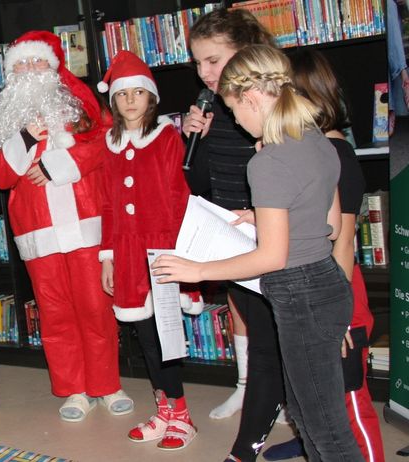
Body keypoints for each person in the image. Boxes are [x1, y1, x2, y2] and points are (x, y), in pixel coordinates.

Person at [154, 44, 363, 462]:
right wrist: (265, 215)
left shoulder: (267, 161)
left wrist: (197, 269)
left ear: (250, 98)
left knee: (326, 429)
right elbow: (331, 226)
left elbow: (271, 258)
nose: (238, 121)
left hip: (298, 296)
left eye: (235, 111)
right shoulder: (319, 140)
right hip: (328, 286)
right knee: (307, 413)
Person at [0, 30, 132, 423]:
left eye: (37, 61)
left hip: (85, 222)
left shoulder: (79, 102)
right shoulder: (4, 119)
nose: (30, 70)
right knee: (55, 312)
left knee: (96, 306)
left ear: (53, 65)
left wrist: (59, 166)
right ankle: (74, 389)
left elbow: (107, 143)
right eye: (21, 64)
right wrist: (26, 137)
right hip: (37, 230)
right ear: (11, 72)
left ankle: (106, 384)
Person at [262, 49, 386, 462]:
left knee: (350, 406)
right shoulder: (309, 151)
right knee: (322, 400)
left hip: (337, 293)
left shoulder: (335, 155)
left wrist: (340, 318)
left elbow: (344, 241)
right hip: (324, 292)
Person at [184, 15, 287, 454]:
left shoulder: (265, 105)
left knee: (273, 325)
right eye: (198, 63)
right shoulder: (210, 104)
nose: (205, 72)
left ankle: (268, 407)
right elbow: (197, 181)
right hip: (229, 227)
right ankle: (252, 390)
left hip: (269, 224)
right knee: (246, 312)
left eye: (213, 60)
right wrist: (197, 140)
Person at [96, 50, 202, 450]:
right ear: (114, 101)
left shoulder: (166, 137)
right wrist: (107, 255)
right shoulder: (109, 144)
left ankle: (182, 414)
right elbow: (108, 203)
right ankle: (163, 409)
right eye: (123, 94)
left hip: (162, 247)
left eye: (139, 92)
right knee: (144, 335)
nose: (130, 100)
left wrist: (181, 250)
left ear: (151, 98)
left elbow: (179, 195)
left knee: (166, 334)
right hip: (125, 251)